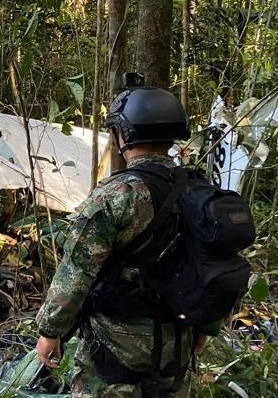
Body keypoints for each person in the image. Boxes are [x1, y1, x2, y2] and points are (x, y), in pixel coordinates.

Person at [34, 84, 219, 397]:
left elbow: (75, 273)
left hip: (114, 347)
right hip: (178, 344)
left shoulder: (117, 195)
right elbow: (217, 261)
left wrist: (50, 331)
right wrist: (207, 327)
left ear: (124, 134)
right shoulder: (200, 191)